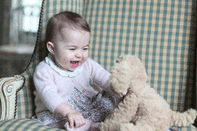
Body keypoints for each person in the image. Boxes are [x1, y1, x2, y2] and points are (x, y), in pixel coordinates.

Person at [33, 11, 116, 131]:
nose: (79, 54)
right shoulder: (44, 71)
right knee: (59, 120)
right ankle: (87, 126)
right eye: (72, 49)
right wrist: (69, 112)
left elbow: (105, 78)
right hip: (59, 112)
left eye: (85, 48)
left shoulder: (88, 65)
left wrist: (119, 88)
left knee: (112, 98)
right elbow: (49, 95)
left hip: (88, 106)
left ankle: (99, 122)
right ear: (52, 48)